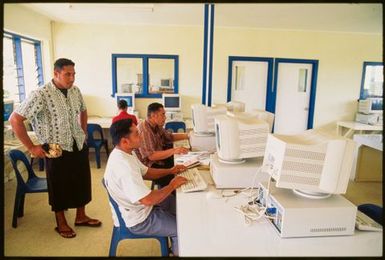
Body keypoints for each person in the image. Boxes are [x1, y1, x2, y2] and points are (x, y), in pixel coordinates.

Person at [9, 58, 101, 238]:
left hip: (77, 142)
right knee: (59, 184)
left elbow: (83, 110)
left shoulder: (75, 91)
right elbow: (15, 119)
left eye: (74, 74)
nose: (72, 78)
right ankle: (61, 222)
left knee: (81, 181)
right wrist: (32, 147)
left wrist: (83, 131)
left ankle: (81, 216)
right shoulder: (40, 94)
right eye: (68, 74)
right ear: (56, 73)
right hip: (53, 146)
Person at [104, 119, 188, 256]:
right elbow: (148, 200)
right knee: (181, 228)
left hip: (141, 206)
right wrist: (172, 185)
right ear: (125, 141)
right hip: (139, 220)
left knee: (179, 206)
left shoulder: (126, 152)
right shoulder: (123, 167)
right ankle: (177, 252)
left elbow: (147, 172)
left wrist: (171, 171)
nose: (141, 136)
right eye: (137, 134)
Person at [136, 102, 190, 188]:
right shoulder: (144, 130)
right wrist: (174, 150)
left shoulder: (156, 125)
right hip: (150, 166)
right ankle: (170, 197)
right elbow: (151, 156)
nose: (165, 118)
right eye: (163, 114)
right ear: (154, 116)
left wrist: (188, 135)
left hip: (159, 159)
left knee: (183, 164)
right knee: (176, 175)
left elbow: (169, 137)